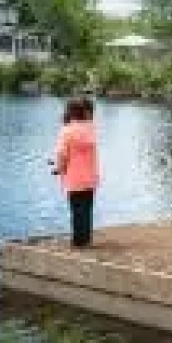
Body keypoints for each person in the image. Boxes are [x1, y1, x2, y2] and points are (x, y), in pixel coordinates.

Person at [52, 96, 99, 247]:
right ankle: (86, 239)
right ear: (84, 112)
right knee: (87, 209)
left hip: (74, 178)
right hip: (90, 177)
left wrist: (58, 168)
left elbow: (62, 154)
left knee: (76, 209)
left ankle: (78, 241)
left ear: (71, 112)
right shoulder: (91, 128)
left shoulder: (67, 131)